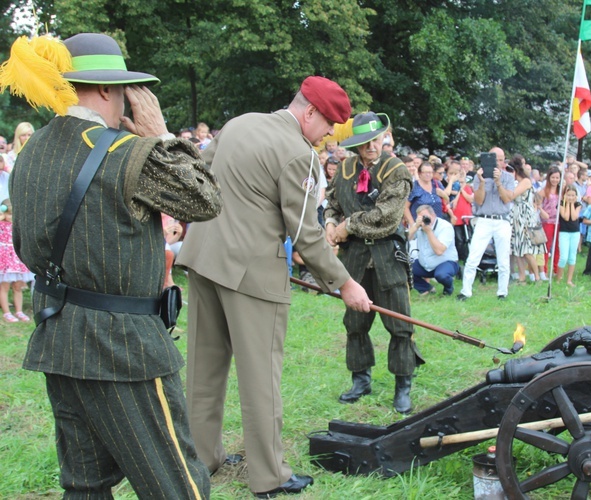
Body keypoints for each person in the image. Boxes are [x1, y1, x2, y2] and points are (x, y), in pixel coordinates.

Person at [3, 32, 221, 498]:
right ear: (106, 89)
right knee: (178, 487)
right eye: (125, 87)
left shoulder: (32, 151)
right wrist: (160, 132)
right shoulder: (129, 153)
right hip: (124, 351)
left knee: (85, 487)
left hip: (58, 338)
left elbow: (25, 247)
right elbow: (206, 199)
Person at [177, 77, 370, 496]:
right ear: (310, 113)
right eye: (328, 128)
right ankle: (269, 476)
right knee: (261, 377)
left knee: (203, 371)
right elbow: (306, 233)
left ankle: (200, 459)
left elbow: (199, 175)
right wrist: (345, 283)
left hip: (203, 257)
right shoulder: (299, 154)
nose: (327, 140)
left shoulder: (241, 123)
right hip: (251, 274)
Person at [325, 111, 422, 415]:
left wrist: (347, 226)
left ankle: (403, 385)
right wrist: (329, 222)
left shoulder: (397, 171)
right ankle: (360, 380)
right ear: (356, 144)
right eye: (366, 142)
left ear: (384, 138)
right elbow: (332, 202)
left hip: (386, 256)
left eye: (376, 140)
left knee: (400, 324)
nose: (372, 147)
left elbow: (386, 217)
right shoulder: (344, 169)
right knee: (354, 323)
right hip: (353, 258)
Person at [457, 146, 515, 301]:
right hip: (484, 219)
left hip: (502, 220)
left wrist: (498, 182)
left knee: (503, 259)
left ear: (504, 162)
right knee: (473, 256)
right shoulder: (478, 177)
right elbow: (479, 200)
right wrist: (482, 183)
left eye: (501, 160)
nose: (498, 163)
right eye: (495, 159)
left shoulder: (508, 177)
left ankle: (502, 292)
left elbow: (507, 198)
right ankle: (465, 291)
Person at [408, 204, 459, 296]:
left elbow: (439, 251)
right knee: (405, 270)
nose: (424, 220)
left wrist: (429, 231)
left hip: (445, 262)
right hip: (425, 264)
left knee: (441, 275)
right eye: (421, 218)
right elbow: (406, 239)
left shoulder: (445, 227)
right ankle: (427, 288)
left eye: (426, 217)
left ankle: (448, 288)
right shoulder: (419, 226)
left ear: (433, 215)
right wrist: (415, 227)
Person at [509, 161, 545, 284]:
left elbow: (512, 195)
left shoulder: (526, 181)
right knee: (517, 248)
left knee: (527, 250)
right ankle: (521, 276)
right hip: (516, 214)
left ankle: (537, 277)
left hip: (525, 216)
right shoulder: (516, 182)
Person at [0, 198, 33, 322]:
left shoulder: (18, 226)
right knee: (5, 287)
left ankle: (19, 311)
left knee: (18, 286)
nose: (10, 217)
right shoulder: (1, 224)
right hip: (4, 260)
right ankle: (7, 312)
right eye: (8, 214)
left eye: (13, 214)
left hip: (16, 259)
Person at [557, 185, 581, 286]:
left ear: (576, 196)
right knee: (563, 257)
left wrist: (572, 204)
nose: (571, 197)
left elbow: (574, 216)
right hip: (564, 232)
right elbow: (566, 217)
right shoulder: (561, 204)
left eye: (573, 195)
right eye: (568, 195)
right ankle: (559, 278)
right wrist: (567, 203)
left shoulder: (578, 204)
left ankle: (569, 280)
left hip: (575, 232)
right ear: (564, 195)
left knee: (572, 257)